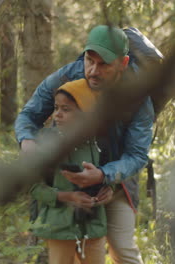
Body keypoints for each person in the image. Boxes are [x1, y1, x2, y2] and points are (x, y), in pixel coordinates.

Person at [15, 25, 154, 264]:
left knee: (123, 251)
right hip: (68, 184)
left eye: (104, 65)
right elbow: (28, 115)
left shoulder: (138, 95)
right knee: (68, 252)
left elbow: (137, 155)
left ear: (123, 63)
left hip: (116, 183)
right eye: (90, 61)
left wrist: (103, 175)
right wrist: (27, 141)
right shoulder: (67, 76)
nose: (93, 71)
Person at [30, 79, 111, 264]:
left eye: (66, 110)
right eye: (56, 108)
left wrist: (109, 189)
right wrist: (68, 196)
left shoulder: (99, 142)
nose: (57, 115)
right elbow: (34, 188)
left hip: (94, 225)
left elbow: (109, 174)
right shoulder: (46, 144)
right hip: (60, 227)